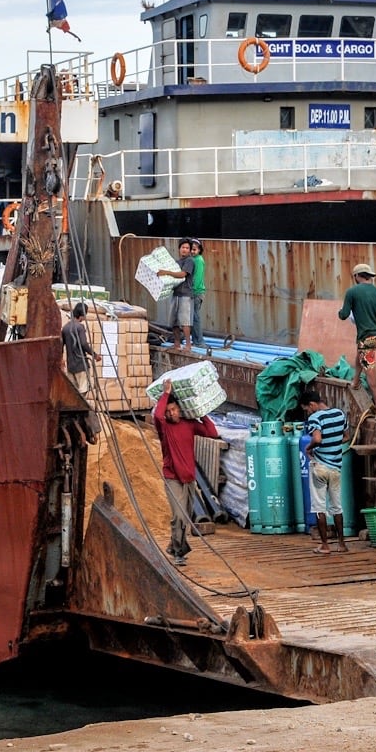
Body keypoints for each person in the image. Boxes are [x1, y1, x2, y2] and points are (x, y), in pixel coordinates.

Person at [152, 378, 219, 566]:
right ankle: (179, 553)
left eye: (174, 409)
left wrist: (202, 414)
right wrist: (165, 393)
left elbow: (212, 433)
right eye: (168, 411)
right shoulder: (164, 427)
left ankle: (174, 546)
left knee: (186, 517)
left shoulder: (189, 425)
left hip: (189, 477)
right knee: (179, 515)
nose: (171, 413)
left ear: (180, 409)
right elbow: (157, 416)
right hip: (172, 477)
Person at [300, 388, 350, 554]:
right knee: (337, 506)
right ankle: (342, 544)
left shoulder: (315, 418)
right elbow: (346, 437)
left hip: (320, 467)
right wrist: (334, 443)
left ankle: (325, 545)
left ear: (312, 404)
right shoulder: (339, 414)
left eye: (306, 409)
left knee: (319, 506)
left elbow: (317, 438)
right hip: (336, 467)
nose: (307, 412)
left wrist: (309, 448)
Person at [338, 262, 376, 414]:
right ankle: (355, 381)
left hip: (366, 336)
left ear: (357, 276)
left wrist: (341, 312)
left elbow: (344, 314)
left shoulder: (352, 292)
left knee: (369, 368)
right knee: (360, 354)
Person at [157, 239, 195, 351]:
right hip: (176, 293)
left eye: (187, 248)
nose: (185, 250)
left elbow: (182, 274)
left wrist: (167, 272)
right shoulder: (177, 262)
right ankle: (177, 343)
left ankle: (188, 345)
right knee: (173, 320)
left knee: (185, 321)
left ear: (189, 250)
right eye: (183, 247)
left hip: (186, 294)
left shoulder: (190, 261)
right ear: (179, 249)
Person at [60, 302, 101, 395]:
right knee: (83, 390)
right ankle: (80, 409)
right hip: (80, 364)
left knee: (73, 392)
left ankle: (74, 408)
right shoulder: (80, 327)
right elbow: (84, 344)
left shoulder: (65, 328)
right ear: (82, 315)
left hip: (70, 365)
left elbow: (60, 346)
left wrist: (61, 360)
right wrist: (95, 355)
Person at [188, 239, 208, 349]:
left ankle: (199, 341)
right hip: (194, 292)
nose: (192, 251)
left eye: (194, 249)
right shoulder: (193, 259)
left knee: (195, 318)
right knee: (193, 317)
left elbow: (197, 277)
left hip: (196, 292)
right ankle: (196, 340)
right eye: (191, 249)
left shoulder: (198, 260)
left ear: (199, 250)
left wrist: (192, 290)